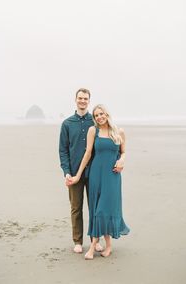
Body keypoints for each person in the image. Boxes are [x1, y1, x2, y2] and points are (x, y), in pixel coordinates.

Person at [68, 104, 130, 259]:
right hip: (96, 175)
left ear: (107, 114)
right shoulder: (93, 131)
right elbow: (88, 153)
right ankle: (104, 246)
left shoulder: (119, 131)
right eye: (96, 115)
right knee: (97, 210)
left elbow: (123, 152)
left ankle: (95, 247)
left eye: (101, 114)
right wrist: (77, 175)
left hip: (112, 176)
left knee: (104, 209)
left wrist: (122, 161)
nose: (99, 117)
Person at [59, 88, 103, 254]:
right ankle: (77, 241)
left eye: (86, 98)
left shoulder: (97, 121)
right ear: (75, 100)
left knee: (95, 207)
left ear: (89, 101)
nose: (83, 101)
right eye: (80, 98)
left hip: (94, 172)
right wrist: (66, 171)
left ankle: (95, 240)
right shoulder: (67, 124)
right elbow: (63, 150)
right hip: (74, 174)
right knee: (76, 208)